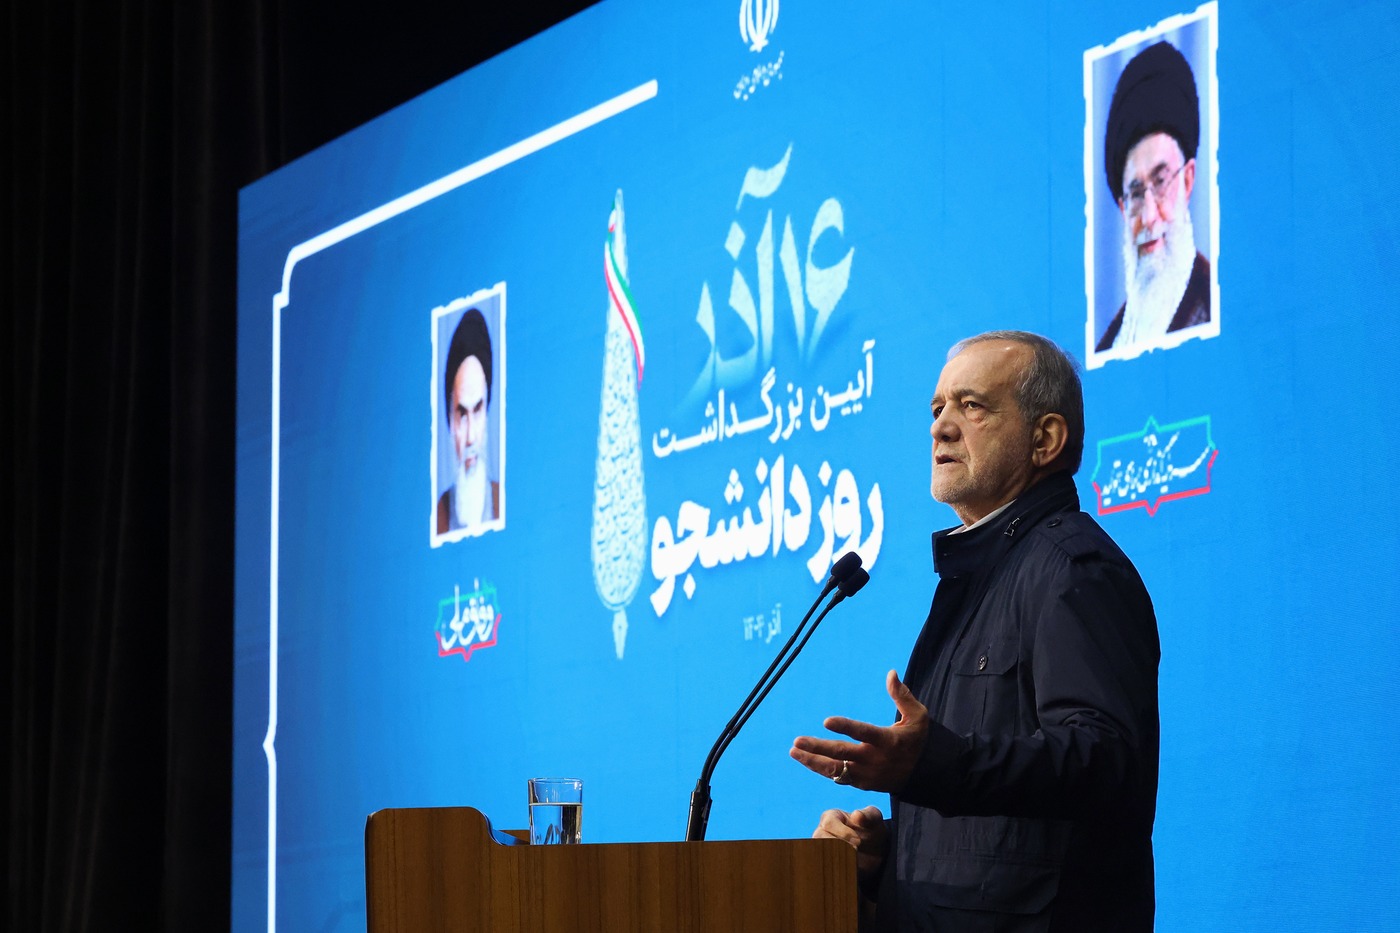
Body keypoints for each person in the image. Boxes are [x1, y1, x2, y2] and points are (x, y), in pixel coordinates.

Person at [791, 331, 1159, 932]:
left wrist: (934, 764)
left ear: (1045, 439)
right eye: (938, 408)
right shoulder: (977, 580)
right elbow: (996, 833)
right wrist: (886, 861)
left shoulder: (1074, 570)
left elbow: (1104, 763)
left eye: (972, 406)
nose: (940, 427)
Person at [1096, 40, 1211, 352]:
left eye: (1160, 183)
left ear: (1187, 180)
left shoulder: (1210, 301)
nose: (1148, 216)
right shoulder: (1111, 341)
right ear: (1122, 207)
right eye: (1135, 194)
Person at [437, 308, 500, 534]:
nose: (471, 437)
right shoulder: (438, 516)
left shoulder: (503, 500)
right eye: (462, 415)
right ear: (450, 421)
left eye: (478, 410)